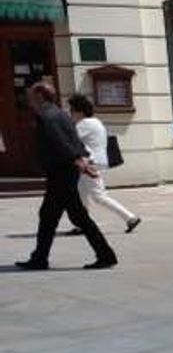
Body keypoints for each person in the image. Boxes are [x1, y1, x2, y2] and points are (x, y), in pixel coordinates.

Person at [16, 82, 117, 270]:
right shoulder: (60, 113)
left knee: (64, 216)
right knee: (58, 215)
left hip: (60, 172)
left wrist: (77, 159)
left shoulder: (46, 116)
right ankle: (41, 257)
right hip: (65, 171)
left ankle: (104, 255)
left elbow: (60, 141)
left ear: (39, 96)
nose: (28, 98)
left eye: (31, 95)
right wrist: (81, 159)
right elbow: (75, 140)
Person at [66, 94, 141, 234]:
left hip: (90, 163)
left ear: (79, 111)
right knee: (82, 193)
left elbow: (70, 139)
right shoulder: (96, 122)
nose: (70, 114)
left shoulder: (84, 124)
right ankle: (82, 224)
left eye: (71, 111)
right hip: (95, 162)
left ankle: (130, 217)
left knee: (98, 196)